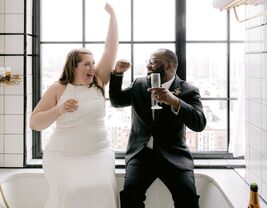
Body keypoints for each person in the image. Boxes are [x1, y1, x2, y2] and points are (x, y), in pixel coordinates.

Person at [30, 3, 120, 208]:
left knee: (104, 189)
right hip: (63, 155)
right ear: (74, 67)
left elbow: (111, 49)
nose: (92, 67)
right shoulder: (58, 89)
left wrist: (113, 17)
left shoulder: (98, 81)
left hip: (98, 153)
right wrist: (58, 109)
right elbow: (34, 123)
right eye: (87, 64)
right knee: (69, 192)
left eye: (93, 63)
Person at [109, 48, 207, 208]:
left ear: (169, 66)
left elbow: (199, 124)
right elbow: (117, 101)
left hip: (174, 155)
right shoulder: (139, 84)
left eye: (153, 62)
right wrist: (118, 74)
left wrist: (175, 101)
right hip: (141, 155)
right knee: (130, 196)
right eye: (148, 61)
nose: (148, 65)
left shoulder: (188, 90)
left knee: (187, 197)